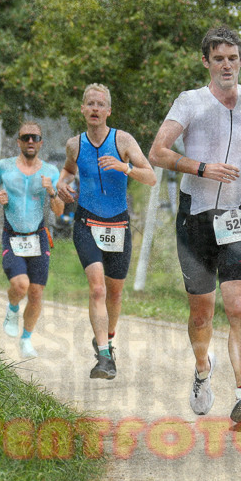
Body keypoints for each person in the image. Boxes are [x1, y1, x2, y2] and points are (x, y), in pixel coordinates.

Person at [149, 25, 241, 427]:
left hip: (238, 211)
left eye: (233, 58)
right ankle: (203, 369)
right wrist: (202, 167)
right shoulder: (190, 102)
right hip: (197, 215)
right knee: (202, 314)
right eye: (218, 59)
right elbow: (157, 151)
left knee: (238, 307)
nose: (227, 65)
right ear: (206, 62)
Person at [57, 84, 157, 380]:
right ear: (83, 110)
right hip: (86, 222)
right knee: (98, 288)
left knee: (114, 294)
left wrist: (124, 167)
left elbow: (150, 177)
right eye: (90, 104)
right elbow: (67, 171)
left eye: (101, 104)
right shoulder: (74, 145)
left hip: (118, 225)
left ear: (109, 111)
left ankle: (108, 339)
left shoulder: (123, 140)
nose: (95, 109)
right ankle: (103, 357)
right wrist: (63, 184)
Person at [0, 122, 64, 359]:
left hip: (38, 237)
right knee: (20, 285)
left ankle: (26, 339)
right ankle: (12, 309)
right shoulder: (4, 167)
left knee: (36, 293)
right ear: (18, 141)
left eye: (35, 137)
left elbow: (59, 210)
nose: (30, 141)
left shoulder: (50, 171)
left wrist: (51, 192)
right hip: (13, 236)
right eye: (25, 137)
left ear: (41, 142)